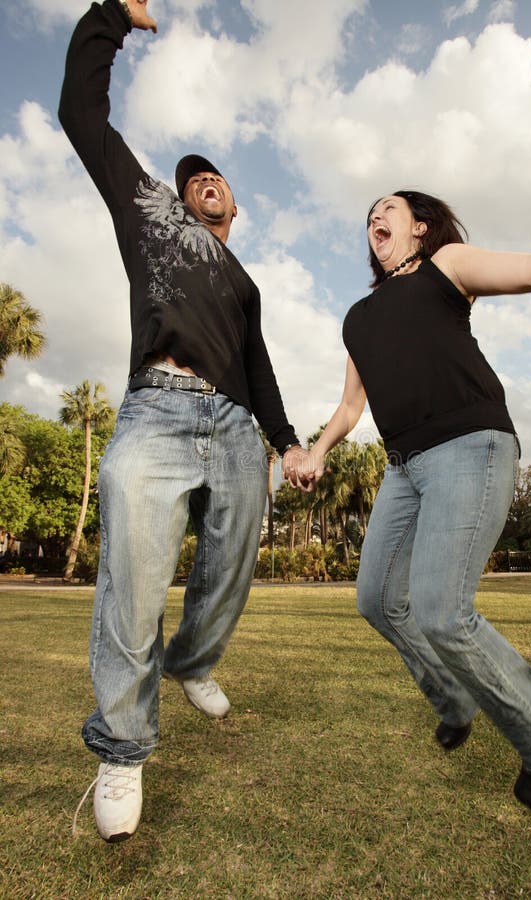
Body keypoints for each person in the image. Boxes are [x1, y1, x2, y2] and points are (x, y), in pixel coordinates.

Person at [296, 117, 531, 811]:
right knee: (375, 599)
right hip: (403, 466)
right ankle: (452, 697)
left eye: (386, 208)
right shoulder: (356, 317)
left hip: (468, 447)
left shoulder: (445, 268)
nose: (374, 218)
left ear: (419, 226)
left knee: (443, 612)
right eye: (368, 216)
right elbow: (351, 405)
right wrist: (318, 451)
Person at [60, 0, 308, 842]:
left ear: (232, 203)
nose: (204, 178)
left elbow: (263, 368)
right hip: (157, 414)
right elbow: (79, 113)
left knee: (233, 565)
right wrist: (110, 17)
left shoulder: (243, 282)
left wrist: (287, 439)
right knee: (132, 578)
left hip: (236, 425)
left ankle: (193, 660)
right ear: (179, 195)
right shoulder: (149, 214)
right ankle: (123, 751)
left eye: (216, 176)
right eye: (191, 174)